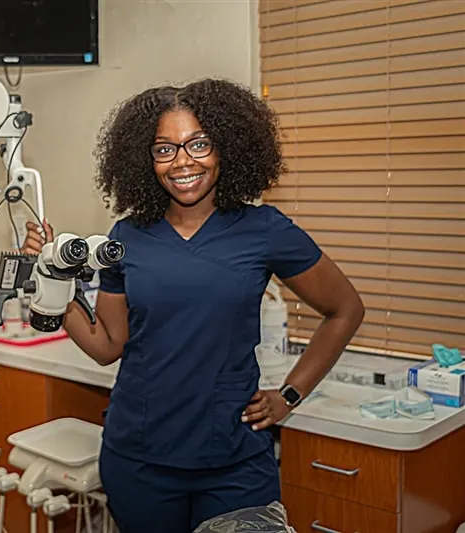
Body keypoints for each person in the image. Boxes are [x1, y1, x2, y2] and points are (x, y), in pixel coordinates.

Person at [21, 78, 364, 532]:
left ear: (225, 148)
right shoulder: (127, 236)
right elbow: (106, 346)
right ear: (147, 159)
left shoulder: (264, 230)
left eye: (198, 144)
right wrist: (54, 276)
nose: (182, 161)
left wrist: (289, 396)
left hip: (234, 460)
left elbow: (345, 309)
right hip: (139, 458)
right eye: (165, 149)